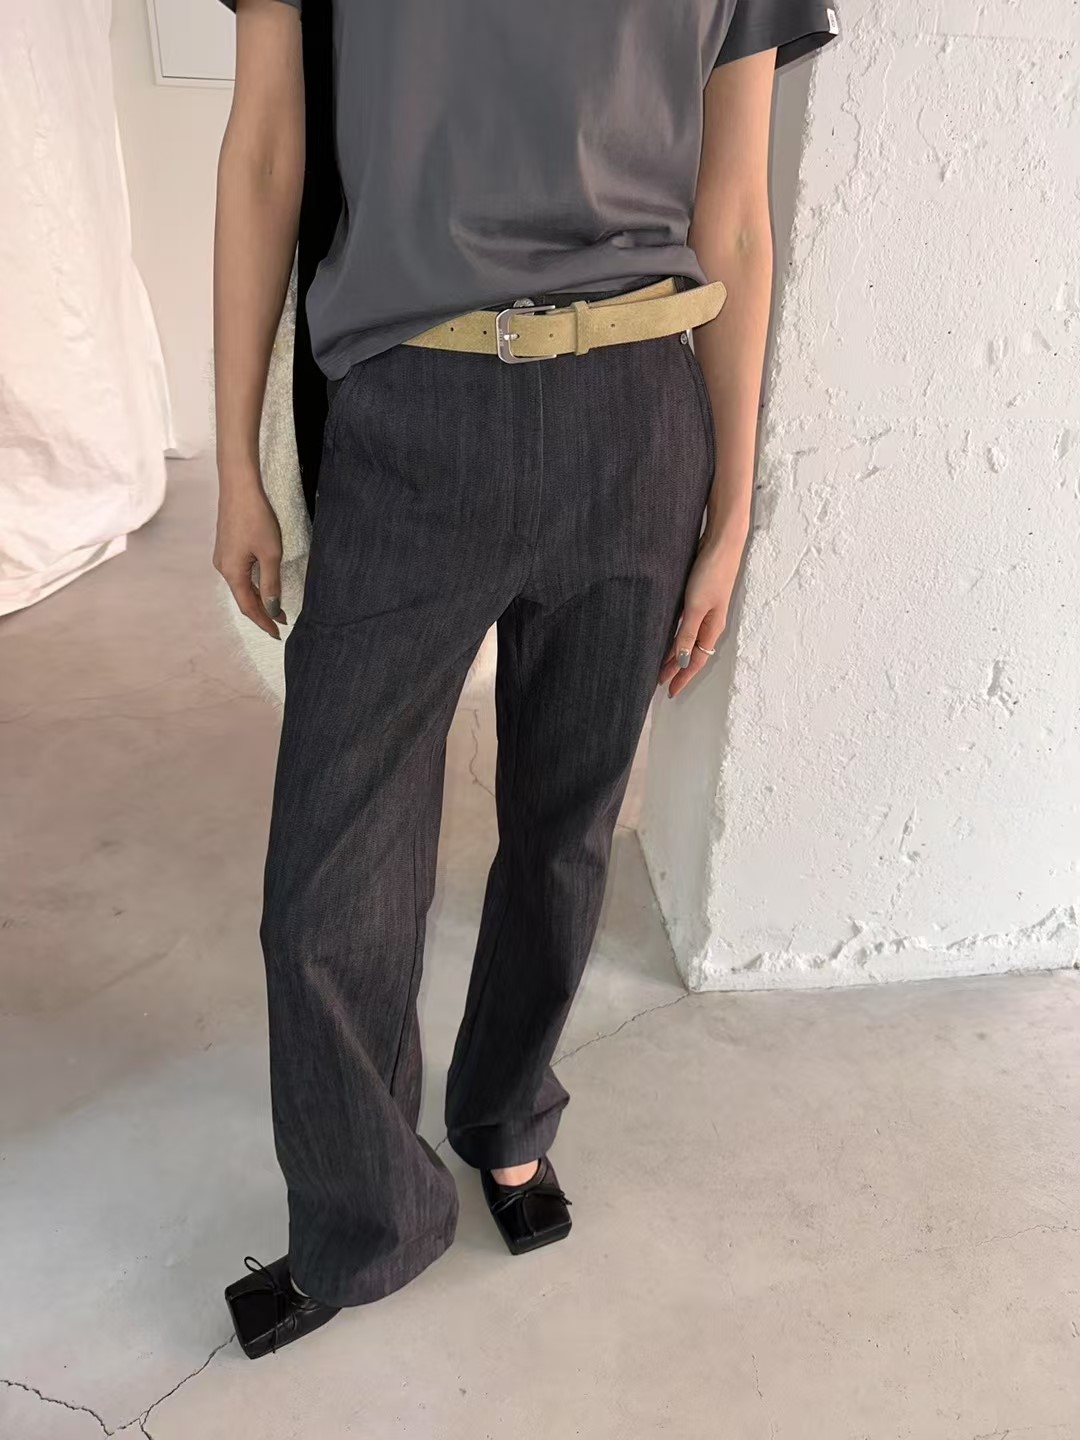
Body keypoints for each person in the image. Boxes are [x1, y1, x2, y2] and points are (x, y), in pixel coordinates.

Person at [212, 0, 840, 1360]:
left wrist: (735, 504)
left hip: (639, 415)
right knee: (328, 871)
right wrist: (236, 462)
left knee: (567, 825)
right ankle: (369, 1215)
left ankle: (507, 1114)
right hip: (411, 408)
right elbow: (265, 147)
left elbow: (734, 209)